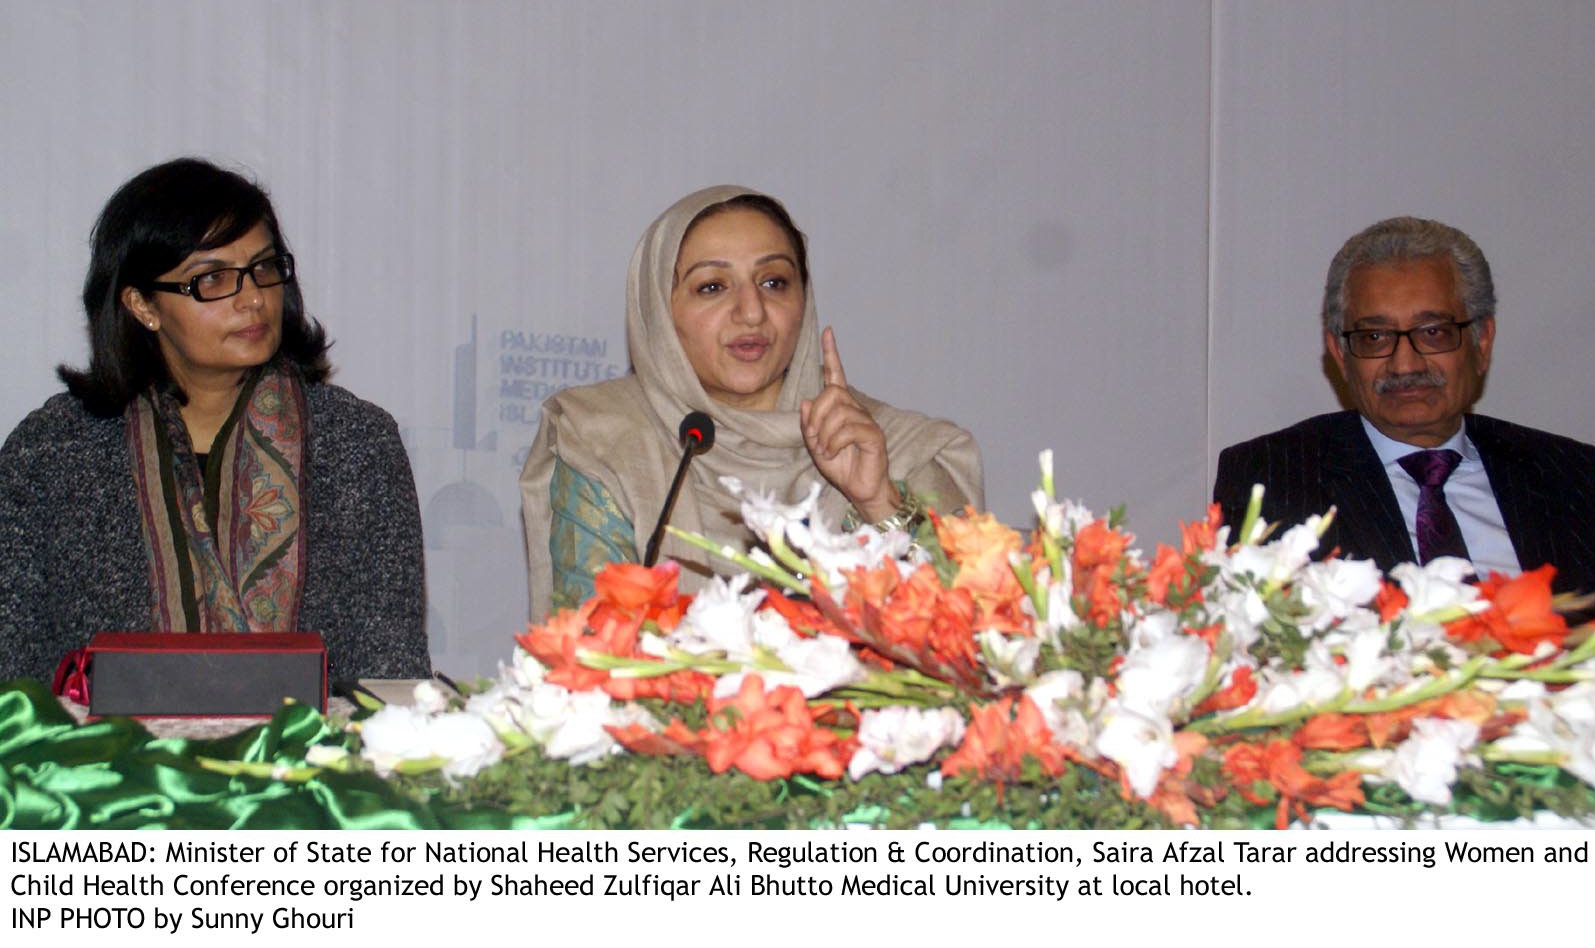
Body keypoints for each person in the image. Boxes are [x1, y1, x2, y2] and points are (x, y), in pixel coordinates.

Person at [0, 159, 431, 683]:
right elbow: (13, 674)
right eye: (212, 280)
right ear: (141, 304)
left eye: (264, 268)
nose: (253, 299)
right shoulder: (53, 453)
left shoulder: (358, 444)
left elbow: (392, 673)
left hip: (309, 760)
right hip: (104, 761)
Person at [520, 185, 984, 617]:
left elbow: (975, 633)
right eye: (712, 287)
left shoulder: (892, 447)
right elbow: (595, 649)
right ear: (660, 312)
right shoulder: (603, 437)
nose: (751, 312)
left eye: (773, 282)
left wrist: (879, 502)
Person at [1213, 216, 1595, 613]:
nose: (1404, 365)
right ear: (1340, 353)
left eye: (1433, 332)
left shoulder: (1575, 476)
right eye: (1374, 337)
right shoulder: (1277, 477)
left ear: (1481, 342)